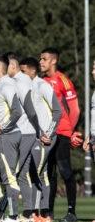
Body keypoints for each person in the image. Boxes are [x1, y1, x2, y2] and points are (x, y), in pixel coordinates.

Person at [40, 48, 81, 222]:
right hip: (47, 134)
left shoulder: (63, 80)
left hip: (62, 133)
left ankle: (72, 212)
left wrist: (69, 132)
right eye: (40, 59)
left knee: (65, 171)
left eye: (44, 59)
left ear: (53, 61)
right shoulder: (41, 81)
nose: (41, 62)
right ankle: (48, 212)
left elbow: (75, 110)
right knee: (49, 174)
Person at [21, 57, 62, 221]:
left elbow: (57, 111)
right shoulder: (24, 88)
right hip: (32, 137)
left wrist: (49, 134)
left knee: (34, 173)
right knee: (42, 174)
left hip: (44, 138)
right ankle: (44, 214)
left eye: (23, 72)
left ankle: (33, 212)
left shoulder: (42, 85)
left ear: (32, 71)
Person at [6, 53, 43, 221]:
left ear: (12, 66)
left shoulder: (21, 82)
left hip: (23, 132)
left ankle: (14, 215)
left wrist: (38, 130)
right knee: (21, 174)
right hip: (23, 131)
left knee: (12, 173)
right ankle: (27, 214)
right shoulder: (18, 81)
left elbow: (28, 109)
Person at [0, 54, 23, 222]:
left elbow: (17, 110)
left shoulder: (7, 85)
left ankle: (14, 216)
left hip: (7, 137)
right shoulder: (0, 85)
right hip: (1, 138)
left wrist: (3, 128)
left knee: (9, 177)